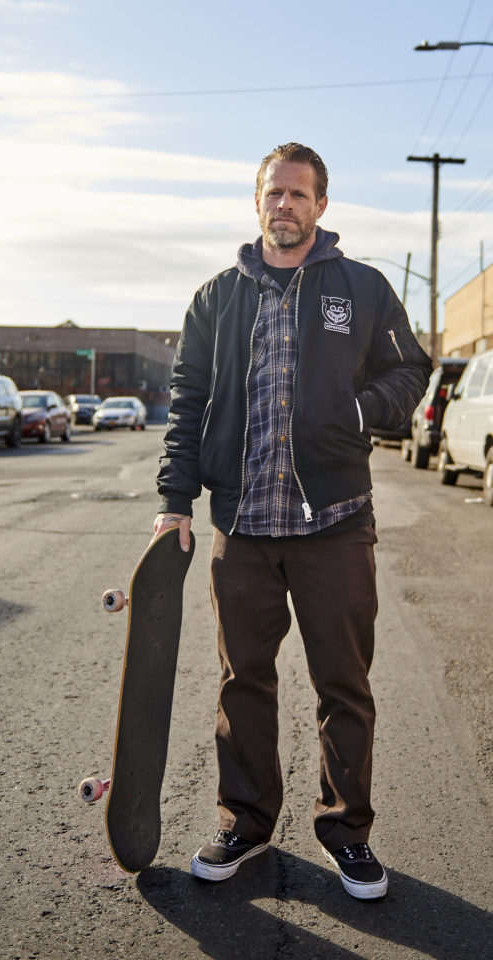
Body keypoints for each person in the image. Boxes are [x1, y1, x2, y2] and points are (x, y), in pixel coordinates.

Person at [154, 142, 431, 900]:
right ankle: (245, 822)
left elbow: (413, 368)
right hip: (241, 527)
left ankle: (347, 832)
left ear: (322, 206)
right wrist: (174, 503)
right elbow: (187, 404)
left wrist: (359, 408)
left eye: (299, 194)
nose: (285, 205)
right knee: (244, 681)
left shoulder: (363, 289)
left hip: (335, 524)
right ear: (257, 201)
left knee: (342, 683)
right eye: (273, 192)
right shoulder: (217, 297)